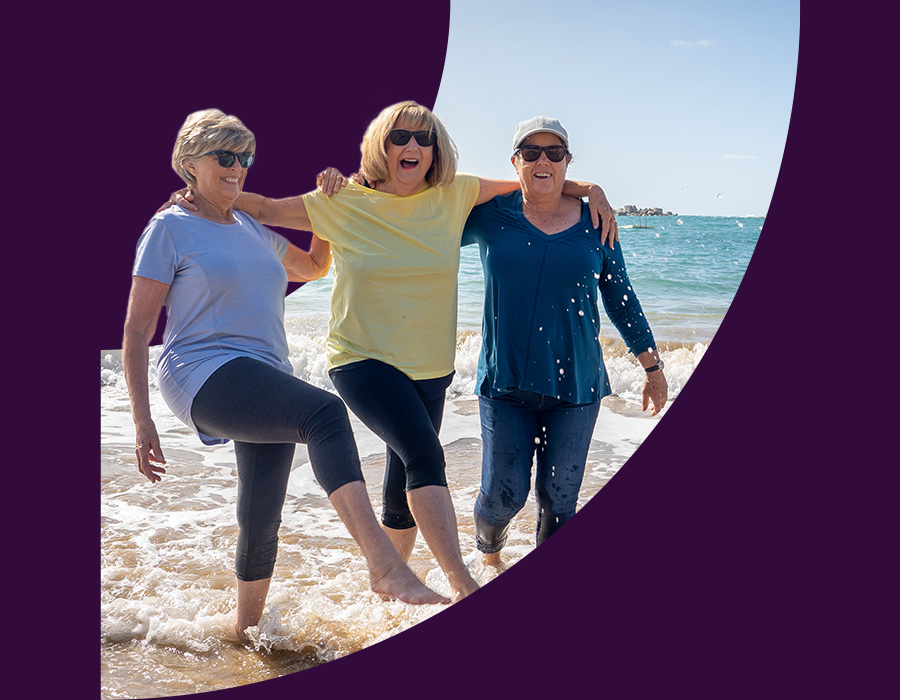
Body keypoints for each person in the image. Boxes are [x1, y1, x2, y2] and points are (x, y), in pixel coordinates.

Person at [176, 101, 617, 601]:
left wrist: (590, 188)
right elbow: (264, 207)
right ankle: (462, 585)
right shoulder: (341, 201)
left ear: (436, 150)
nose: (413, 146)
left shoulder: (456, 193)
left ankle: (386, 595)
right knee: (425, 455)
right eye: (401, 137)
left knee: (401, 488)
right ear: (381, 146)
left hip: (431, 368)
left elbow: (533, 183)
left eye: (424, 138)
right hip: (361, 359)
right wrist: (202, 194)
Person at [123, 109, 449, 644]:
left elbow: (315, 267)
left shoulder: (251, 227)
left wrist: (331, 205)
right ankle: (385, 566)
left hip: (263, 373)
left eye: (244, 158)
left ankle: (244, 632)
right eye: (223, 156)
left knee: (261, 508)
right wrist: (142, 422)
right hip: (201, 370)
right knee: (323, 412)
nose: (237, 168)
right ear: (189, 164)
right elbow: (137, 331)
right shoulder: (169, 228)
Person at [460, 116, 669, 568]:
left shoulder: (597, 222)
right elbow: (423, 227)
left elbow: (621, 297)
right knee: (502, 497)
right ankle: (488, 559)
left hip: (577, 385)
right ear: (514, 162)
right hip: (505, 381)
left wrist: (652, 368)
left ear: (567, 161)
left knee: (560, 501)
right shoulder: (490, 217)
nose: (543, 161)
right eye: (531, 152)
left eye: (554, 153)